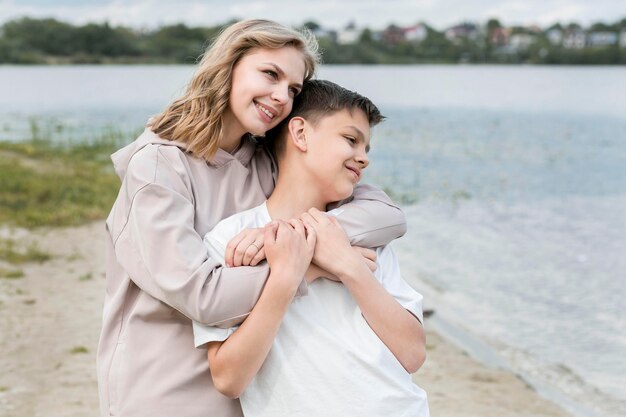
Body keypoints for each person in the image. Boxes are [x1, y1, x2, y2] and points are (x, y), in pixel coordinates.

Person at [97, 20, 408, 417]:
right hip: (163, 390)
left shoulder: (264, 162)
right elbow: (204, 298)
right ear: (228, 66)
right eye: (270, 74)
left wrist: (291, 235)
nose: (281, 96)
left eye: (293, 89)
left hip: (248, 391)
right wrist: (310, 262)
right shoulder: (158, 168)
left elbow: (387, 216)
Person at [193, 80, 429, 417]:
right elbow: (229, 379)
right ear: (301, 134)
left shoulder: (361, 234)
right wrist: (287, 278)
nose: (363, 159)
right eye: (351, 140)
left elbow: (412, 354)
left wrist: (348, 265)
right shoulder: (232, 239)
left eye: (367, 149)